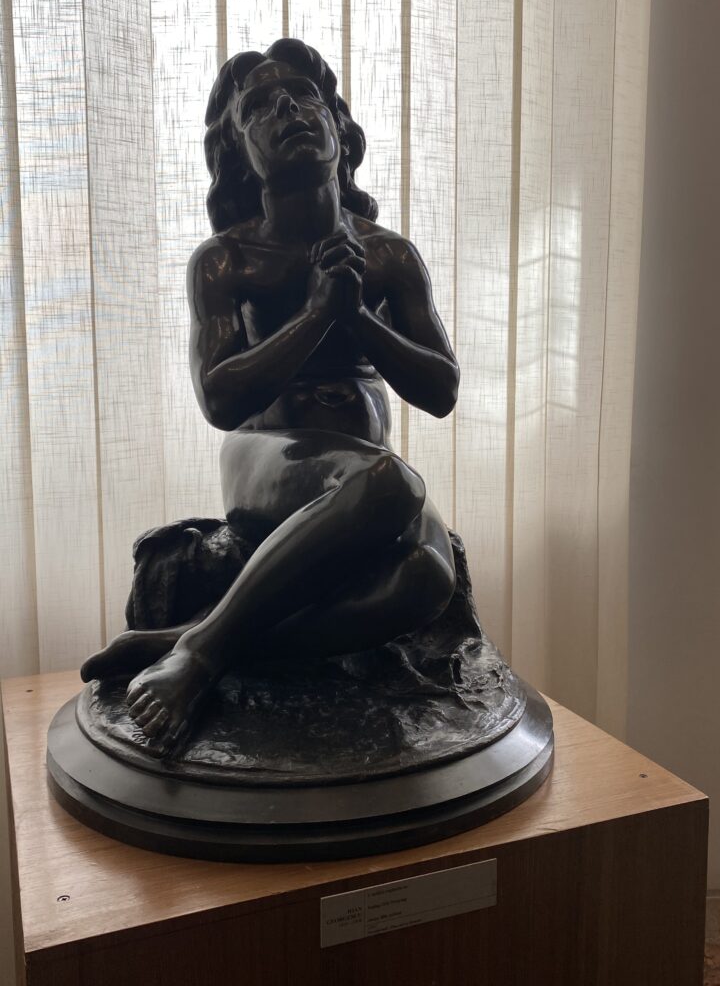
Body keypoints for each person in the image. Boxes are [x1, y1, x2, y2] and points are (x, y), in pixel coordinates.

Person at [82, 39, 459, 750]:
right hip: (263, 459)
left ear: (337, 128)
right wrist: (317, 315)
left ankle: (188, 638)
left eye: (303, 96)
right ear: (238, 153)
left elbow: (441, 389)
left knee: (428, 578)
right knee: (392, 483)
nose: (288, 109)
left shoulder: (388, 255)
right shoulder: (226, 260)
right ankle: (202, 655)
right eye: (260, 106)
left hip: (359, 477)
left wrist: (357, 317)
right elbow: (219, 399)